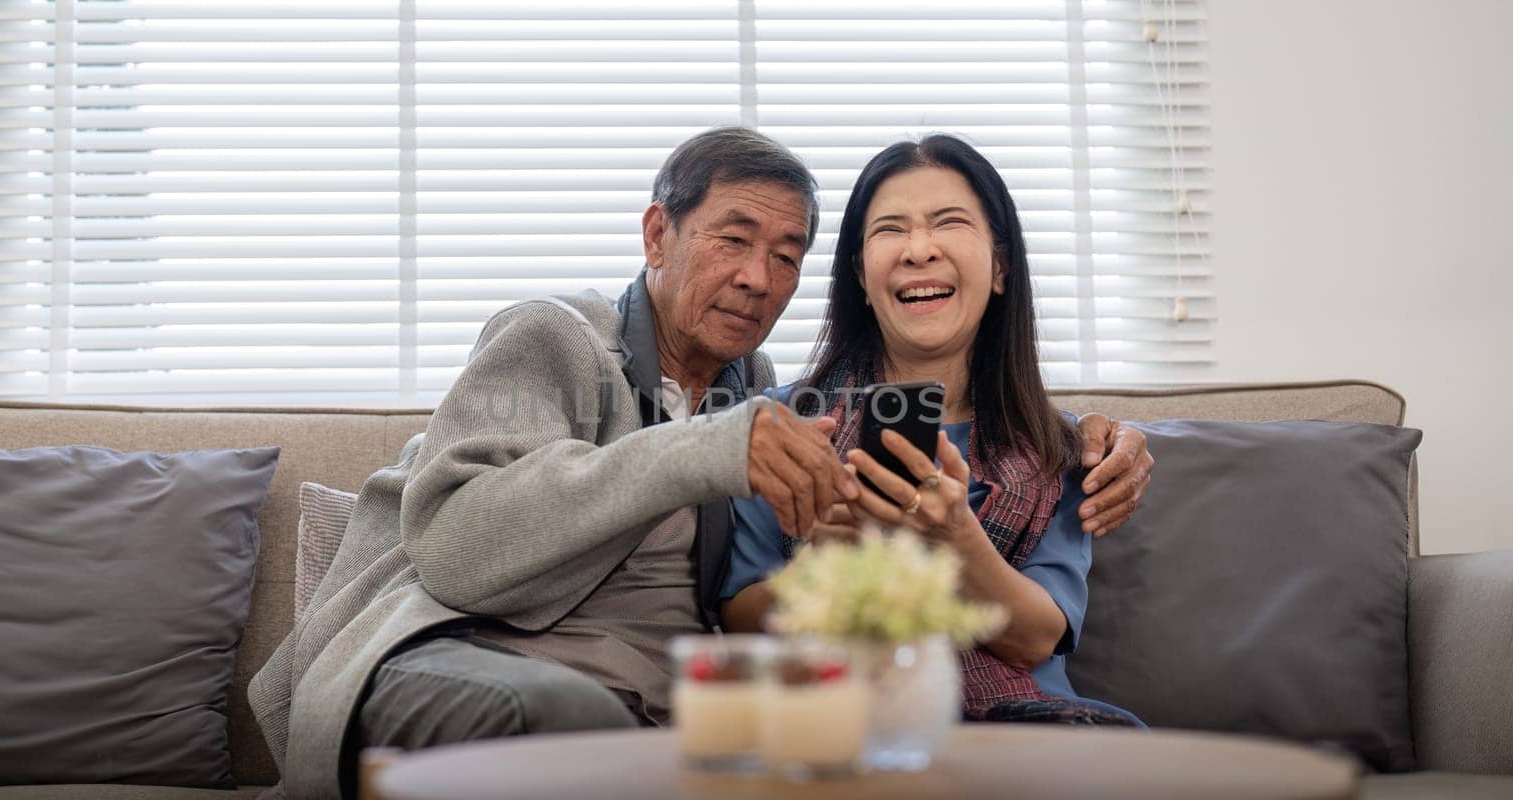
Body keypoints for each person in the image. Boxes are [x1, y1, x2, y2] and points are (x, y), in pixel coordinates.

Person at [249, 127, 1153, 799]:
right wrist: (711, 452)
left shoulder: (753, 391)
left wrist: (1093, 434)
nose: (760, 276)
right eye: (732, 238)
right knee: (574, 721)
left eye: (787, 254)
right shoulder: (553, 337)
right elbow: (454, 543)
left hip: (663, 703)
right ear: (656, 235)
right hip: (463, 657)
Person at [721, 134, 1141, 724]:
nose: (919, 249)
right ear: (862, 278)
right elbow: (739, 619)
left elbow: (1036, 637)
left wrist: (958, 539)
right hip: (843, 724)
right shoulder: (781, 423)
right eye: (890, 229)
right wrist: (823, 564)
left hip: (1028, 732)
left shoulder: (1062, 451)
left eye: (948, 222)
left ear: (999, 267)